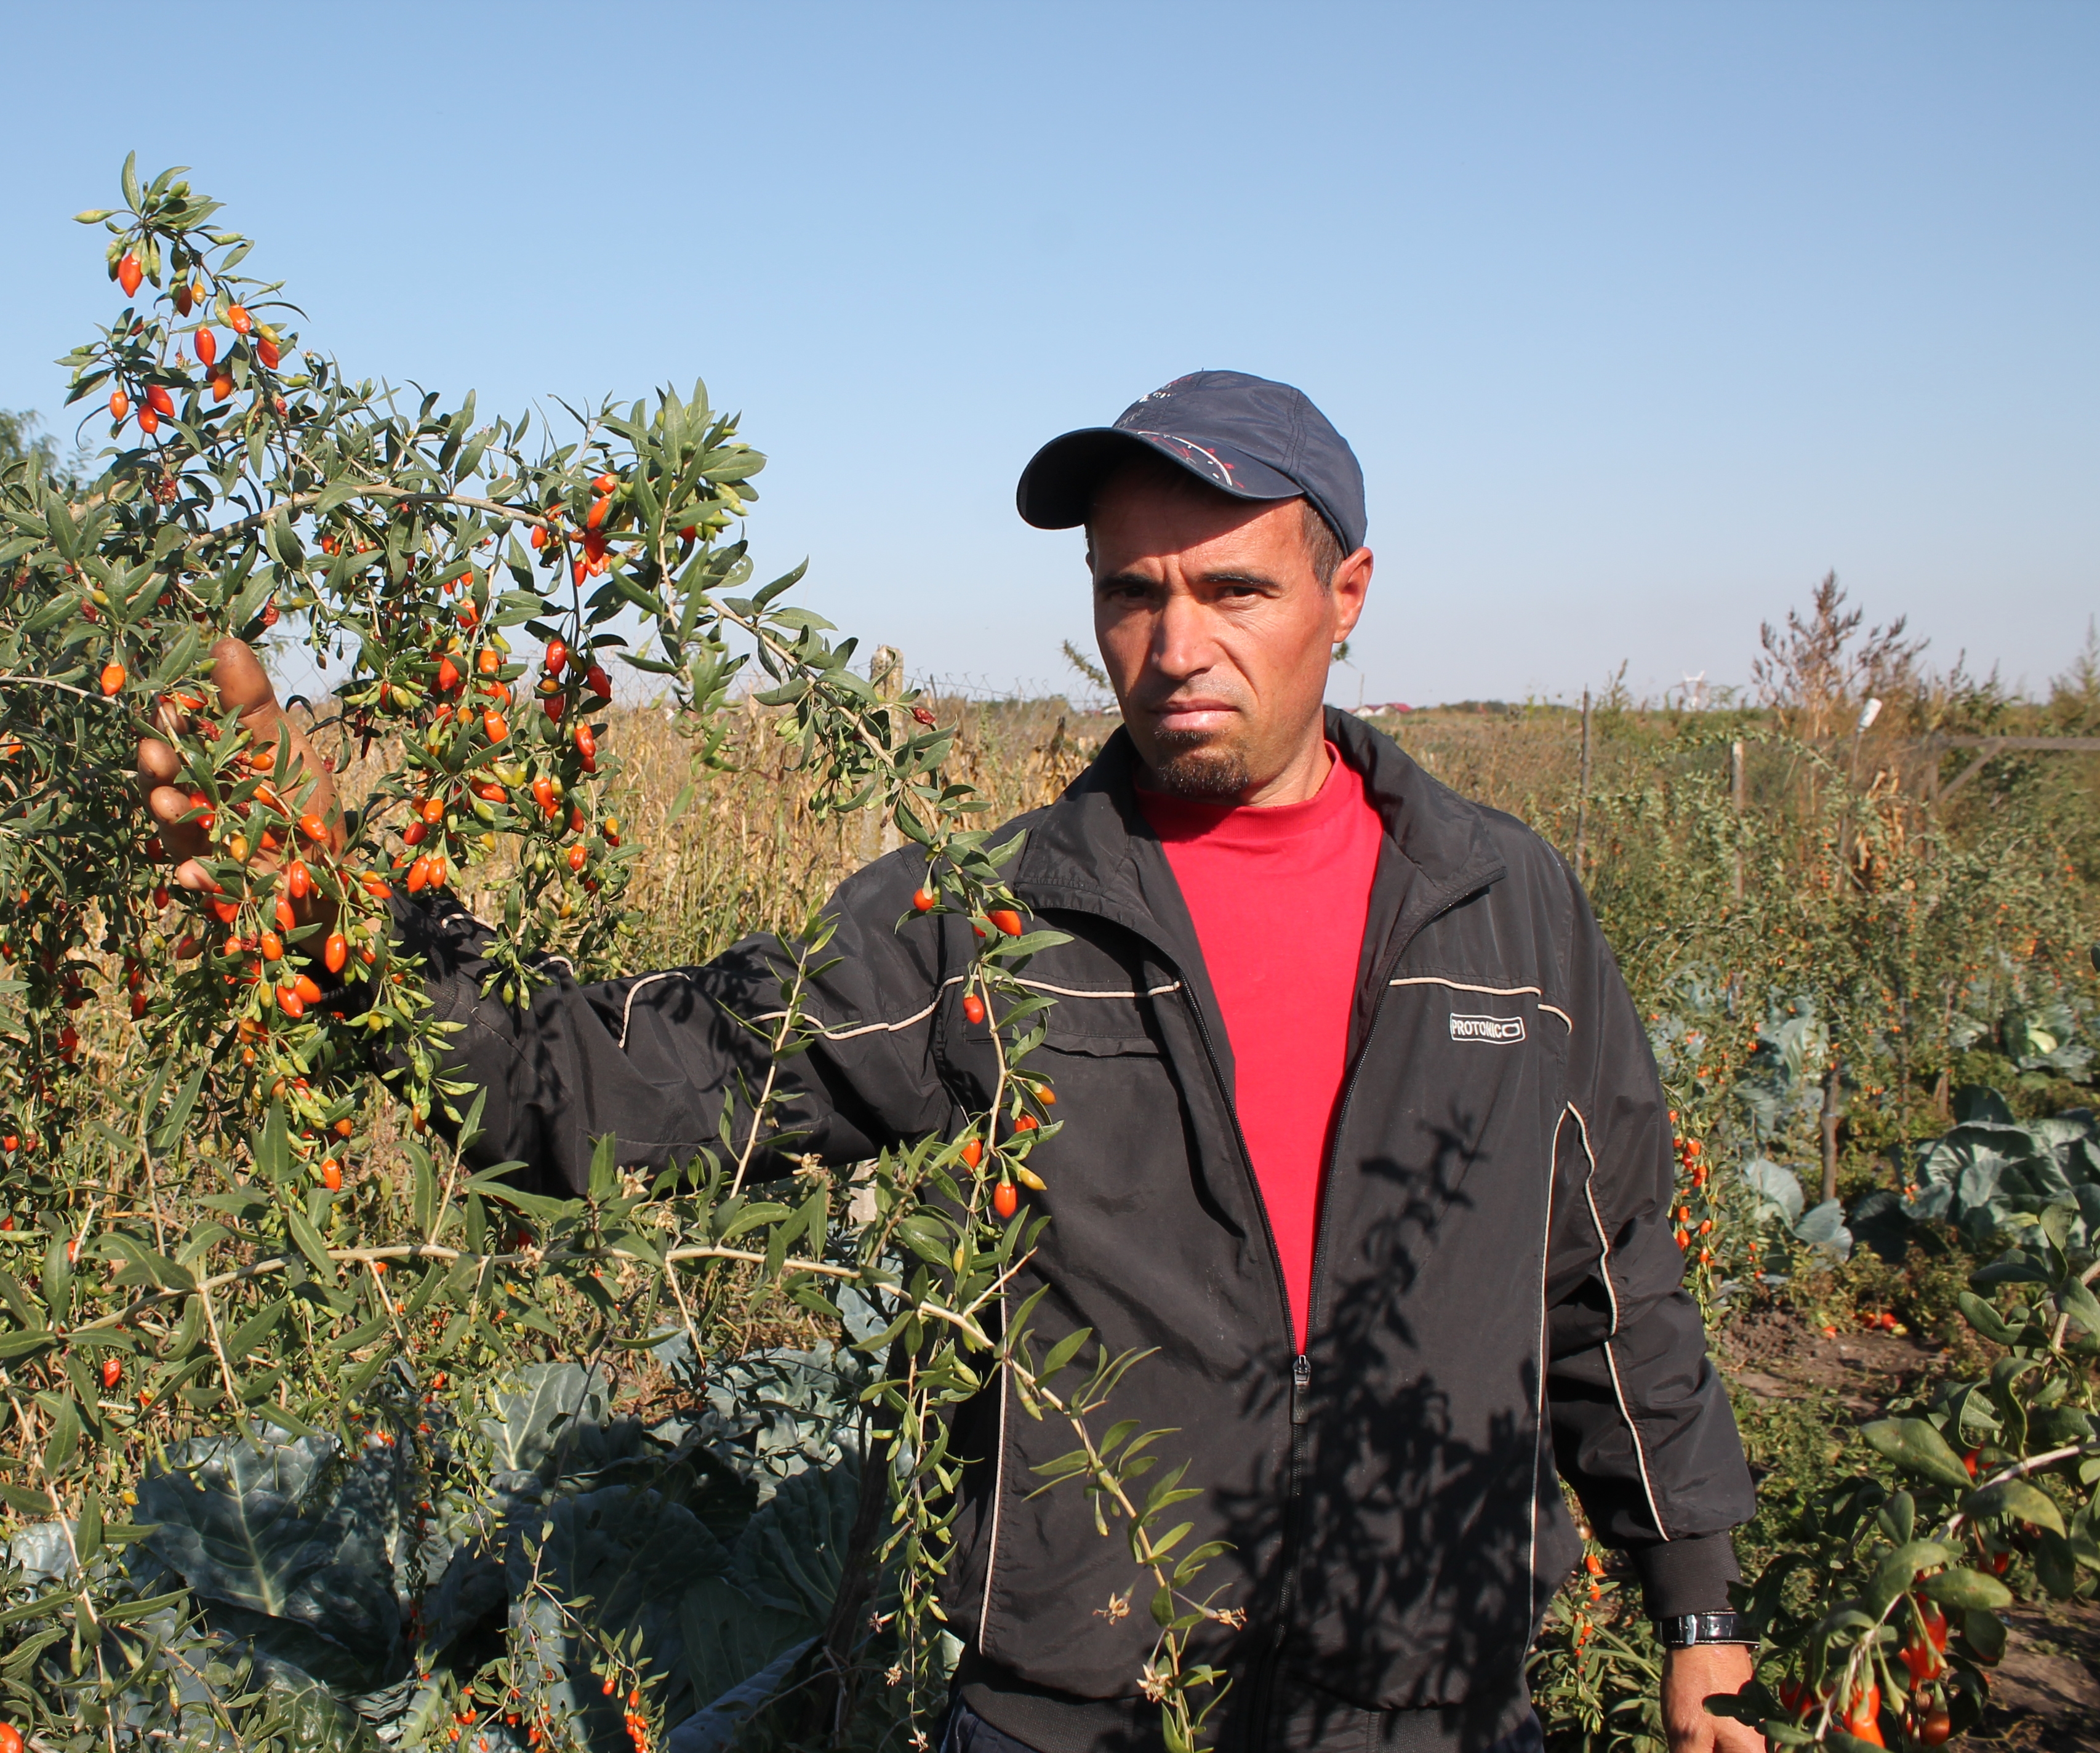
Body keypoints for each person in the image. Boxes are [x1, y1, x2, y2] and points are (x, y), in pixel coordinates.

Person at [138, 372, 1763, 1753]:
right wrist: (342, 901)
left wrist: (1696, 1595)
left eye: (1235, 591)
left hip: (1426, 1681)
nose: (1177, 642)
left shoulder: (1503, 909)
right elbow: (627, 1088)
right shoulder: (990, 922)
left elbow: (1605, 1280)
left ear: (1347, 595)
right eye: (1133, 593)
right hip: (1081, 1696)